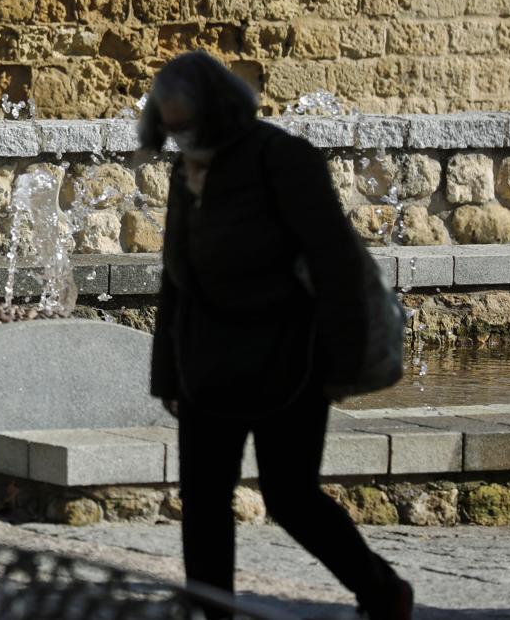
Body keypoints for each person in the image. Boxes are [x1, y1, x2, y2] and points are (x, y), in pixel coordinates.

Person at [141, 51, 413, 620]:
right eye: (169, 126)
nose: (177, 135)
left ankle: (381, 590)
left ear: (215, 111)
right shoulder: (183, 170)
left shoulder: (283, 159)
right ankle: (213, 611)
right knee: (205, 502)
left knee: (291, 498)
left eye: (185, 123)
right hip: (206, 366)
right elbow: (176, 277)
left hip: (288, 360)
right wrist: (167, 374)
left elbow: (335, 263)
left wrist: (340, 365)